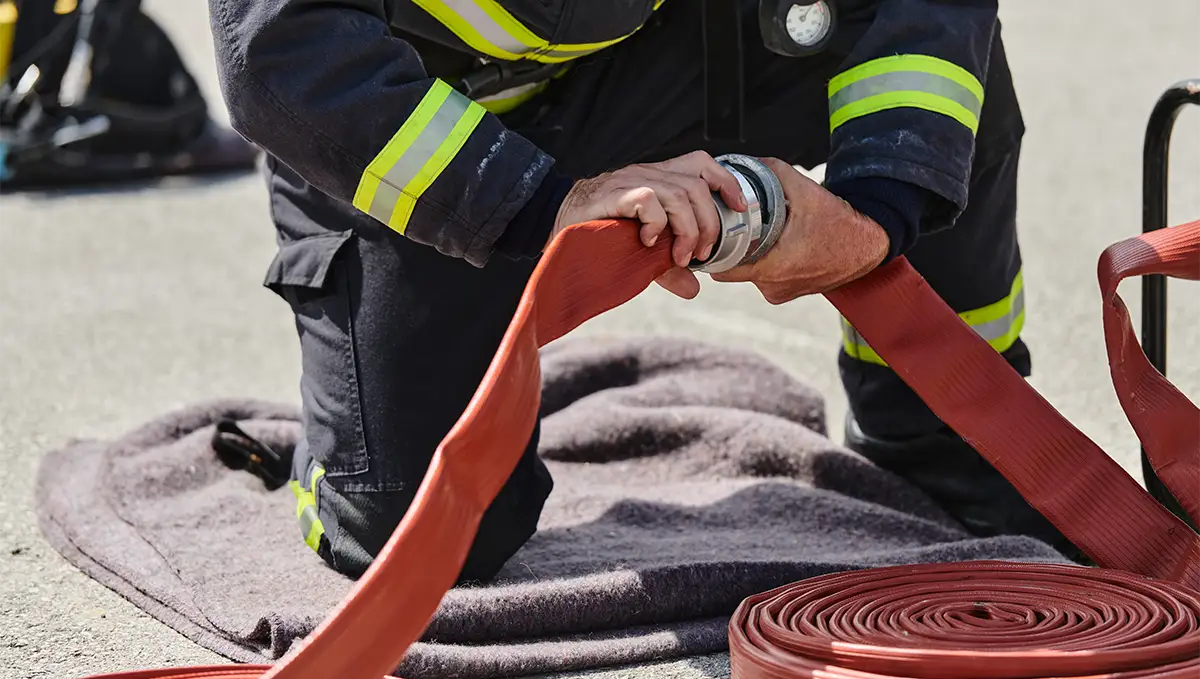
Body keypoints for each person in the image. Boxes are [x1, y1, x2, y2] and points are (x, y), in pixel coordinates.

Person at [210, 0, 1083, 584]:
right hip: (427, 115)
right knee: (418, 536)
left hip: (702, 39)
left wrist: (876, 210)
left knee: (925, 91)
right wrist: (543, 205)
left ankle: (935, 433)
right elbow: (283, 50)